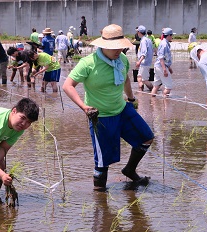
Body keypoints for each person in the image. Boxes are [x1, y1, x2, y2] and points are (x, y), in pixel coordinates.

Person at [62, 24, 154, 191]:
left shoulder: (122, 60)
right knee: (103, 162)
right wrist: (84, 106)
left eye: (120, 47)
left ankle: (130, 169)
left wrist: (131, 98)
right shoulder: (88, 63)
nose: (118, 51)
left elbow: (125, 79)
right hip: (101, 116)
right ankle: (100, 199)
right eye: (114, 48)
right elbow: (68, 85)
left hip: (122, 109)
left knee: (146, 137)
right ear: (103, 46)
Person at [151, 28, 175, 97]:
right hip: (161, 67)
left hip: (159, 66)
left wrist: (169, 67)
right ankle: (166, 104)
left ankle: (153, 103)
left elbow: (165, 58)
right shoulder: (164, 44)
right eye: (172, 35)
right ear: (169, 35)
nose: (172, 37)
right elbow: (161, 57)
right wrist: (164, 69)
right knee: (168, 87)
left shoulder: (165, 43)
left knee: (156, 86)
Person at [135, 25, 153, 91]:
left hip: (144, 62)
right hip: (146, 62)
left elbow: (144, 53)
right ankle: (141, 92)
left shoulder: (143, 41)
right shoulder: (148, 39)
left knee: (144, 80)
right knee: (139, 77)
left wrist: (139, 62)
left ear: (139, 32)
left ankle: (154, 90)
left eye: (137, 32)